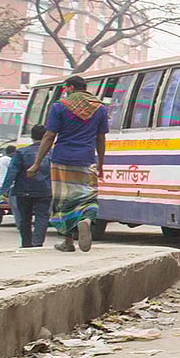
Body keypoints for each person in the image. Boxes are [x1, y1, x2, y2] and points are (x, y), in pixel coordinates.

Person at [28, 75, 108, 252]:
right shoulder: (100, 108)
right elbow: (101, 138)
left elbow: (49, 136)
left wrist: (36, 163)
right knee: (88, 196)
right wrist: (101, 164)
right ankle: (86, 219)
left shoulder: (60, 107)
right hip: (87, 159)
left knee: (64, 200)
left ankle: (68, 242)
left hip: (62, 159)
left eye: (65, 89)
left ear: (70, 88)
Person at [2, 126, 52, 248]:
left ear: (31, 137)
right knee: (42, 216)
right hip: (45, 189)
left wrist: (4, 190)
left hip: (23, 189)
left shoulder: (21, 152)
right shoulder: (52, 152)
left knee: (25, 217)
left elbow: (12, 171)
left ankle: (26, 243)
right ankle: (37, 242)